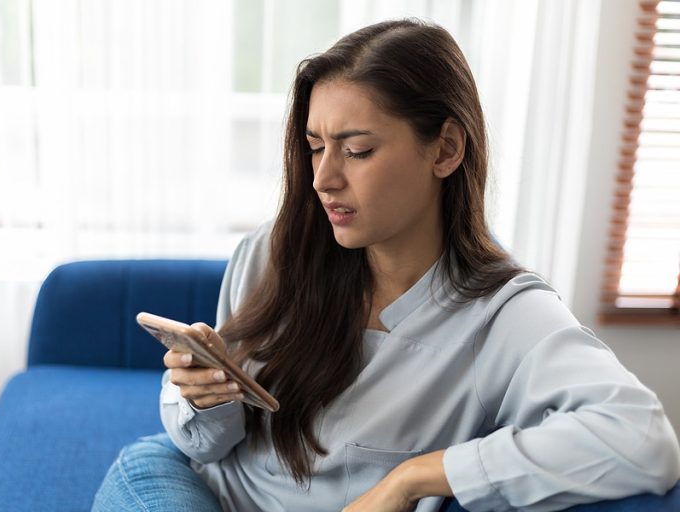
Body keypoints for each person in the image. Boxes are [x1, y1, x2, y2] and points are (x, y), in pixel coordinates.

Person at [93, 18, 680, 512]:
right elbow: (205, 451)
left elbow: (644, 439)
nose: (323, 178)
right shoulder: (274, 251)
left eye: (357, 150)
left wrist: (417, 476)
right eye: (316, 146)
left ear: (446, 149)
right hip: (181, 485)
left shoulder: (504, 316)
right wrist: (205, 398)